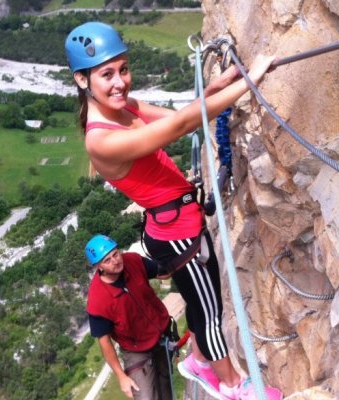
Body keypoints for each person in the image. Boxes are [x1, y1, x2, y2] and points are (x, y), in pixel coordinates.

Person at [66, 22, 282, 400]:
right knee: (209, 315)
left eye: (123, 69)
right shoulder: (100, 140)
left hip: (179, 225)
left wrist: (219, 86)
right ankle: (233, 386)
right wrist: (252, 81)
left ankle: (199, 361)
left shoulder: (124, 107)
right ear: (82, 81)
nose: (120, 82)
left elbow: (174, 115)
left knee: (203, 306)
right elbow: (184, 124)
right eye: (106, 75)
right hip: (177, 235)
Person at [85, 234, 177, 400]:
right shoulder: (97, 300)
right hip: (135, 349)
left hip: (161, 334)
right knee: (146, 397)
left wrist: (178, 260)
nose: (115, 261)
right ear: (98, 267)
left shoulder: (133, 262)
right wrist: (121, 376)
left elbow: (161, 272)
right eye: (107, 260)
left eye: (116, 254)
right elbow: (104, 342)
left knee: (166, 386)